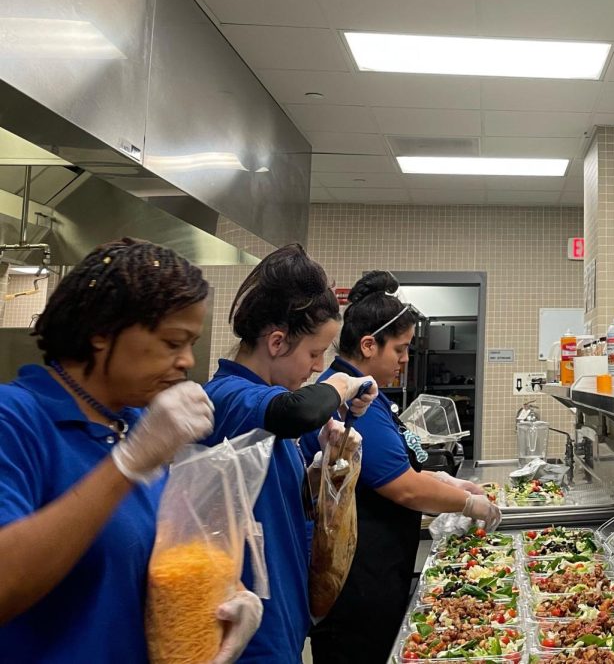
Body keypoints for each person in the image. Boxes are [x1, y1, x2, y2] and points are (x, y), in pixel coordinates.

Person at [0, 238, 261, 663]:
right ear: (102, 332)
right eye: (173, 342)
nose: (185, 361)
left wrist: (232, 598)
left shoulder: (133, 426)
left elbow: (156, 561)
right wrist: (128, 464)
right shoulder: (16, 420)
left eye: (190, 344)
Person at [300, 270, 501, 664]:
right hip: (357, 581)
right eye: (401, 349)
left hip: (376, 572)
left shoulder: (365, 394)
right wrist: (467, 503)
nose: (407, 359)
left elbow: (388, 471)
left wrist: (441, 480)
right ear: (369, 345)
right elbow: (403, 488)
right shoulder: (350, 400)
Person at [202, 244, 377, 663]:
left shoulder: (267, 412)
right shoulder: (228, 397)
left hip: (283, 619)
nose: (318, 367)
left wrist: (325, 456)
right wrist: (343, 385)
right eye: (315, 354)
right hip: (248, 639)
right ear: (277, 342)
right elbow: (294, 411)